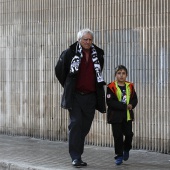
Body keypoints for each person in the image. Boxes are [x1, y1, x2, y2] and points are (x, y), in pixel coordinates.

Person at [55, 28, 106, 167]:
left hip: (91, 96)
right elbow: (59, 70)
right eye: (85, 39)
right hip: (76, 96)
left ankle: (77, 151)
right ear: (79, 40)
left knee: (85, 127)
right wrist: (69, 86)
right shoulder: (70, 53)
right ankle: (76, 157)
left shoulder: (98, 54)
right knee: (76, 124)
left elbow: (98, 73)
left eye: (90, 40)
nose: (88, 42)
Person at [106, 65, 138, 165]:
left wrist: (132, 105)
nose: (121, 75)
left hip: (127, 115)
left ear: (126, 75)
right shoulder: (111, 87)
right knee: (118, 136)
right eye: (119, 73)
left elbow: (134, 99)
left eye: (123, 73)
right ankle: (119, 155)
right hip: (115, 116)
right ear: (116, 75)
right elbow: (110, 102)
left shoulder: (130, 86)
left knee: (129, 134)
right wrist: (124, 106)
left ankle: (126, 149)